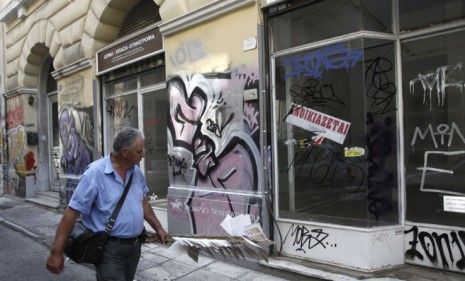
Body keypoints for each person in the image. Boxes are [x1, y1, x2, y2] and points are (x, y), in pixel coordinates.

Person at [46, 127, 169, 281]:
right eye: (139, 151)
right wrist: (56, 252)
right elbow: (71, 213)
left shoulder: (136, 173)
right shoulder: (95, 174)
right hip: (108, 249)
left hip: (134, 247)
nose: (143, 155)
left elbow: (143, 202)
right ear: (124, 152)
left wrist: (158, 227)